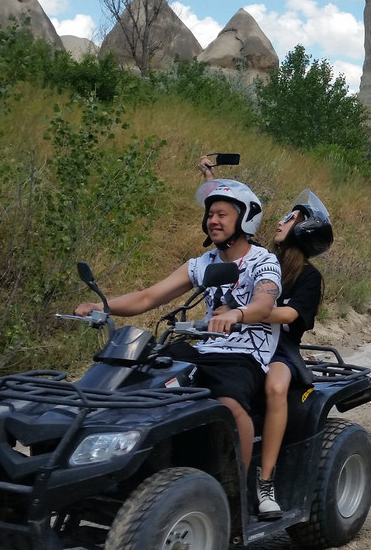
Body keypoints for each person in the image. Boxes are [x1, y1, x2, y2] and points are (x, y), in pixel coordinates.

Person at [74, 178, 282, 475]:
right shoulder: (202, 263)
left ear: (244, 218)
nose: (213, 221)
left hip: (244, 355)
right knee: (147, 375)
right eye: (210, 215)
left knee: (229, 404)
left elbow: (264, 304)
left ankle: (240, 485)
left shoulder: (263, 261)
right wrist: (102, 306)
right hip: (206, 347)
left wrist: (236, 315)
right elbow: (148, 297)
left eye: (222, 215)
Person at [255, 189, 334, 519]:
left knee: (275, 387)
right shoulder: (261, 260)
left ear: (306, 228)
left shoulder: (309, 276)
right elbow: (232, 233)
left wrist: (248, 312)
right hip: (242, 339)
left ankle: (266, 481)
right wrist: (211, 179)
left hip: (280, 348)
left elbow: (291, 316)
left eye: (290, 218)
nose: (280, 221)